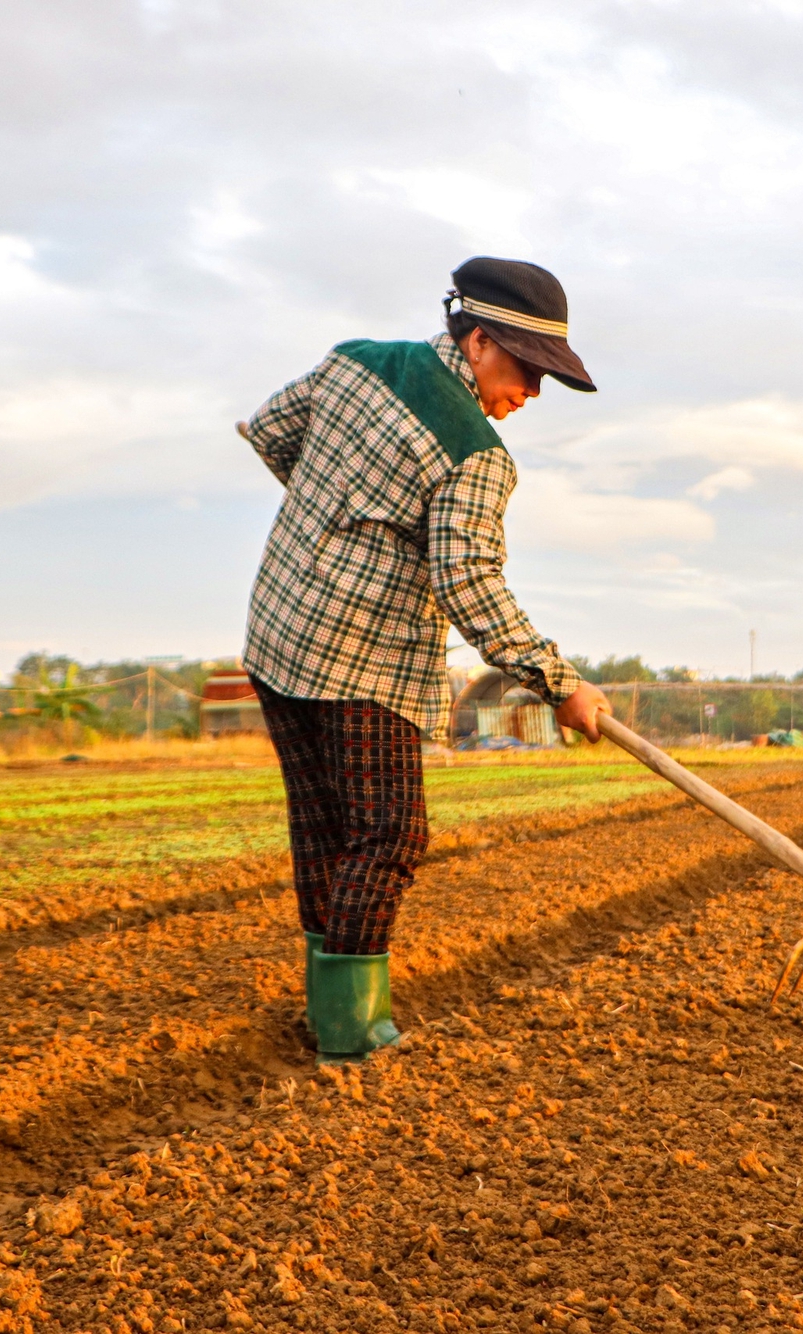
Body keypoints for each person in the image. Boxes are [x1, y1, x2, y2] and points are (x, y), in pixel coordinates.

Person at [236, 256, 612, 1065]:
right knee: (390, 834)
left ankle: (328, 1016)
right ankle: (354, 1032)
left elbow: (268, 430)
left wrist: (334, 518)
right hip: (364, 663)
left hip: (278, 633)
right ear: (479, 341)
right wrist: (561, 685)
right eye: (527, 369)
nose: (532, 392)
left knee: (323, 830)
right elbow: (469, 582)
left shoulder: (353, 363)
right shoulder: (475, 454)